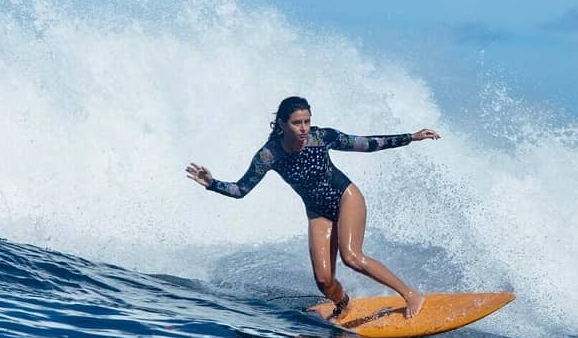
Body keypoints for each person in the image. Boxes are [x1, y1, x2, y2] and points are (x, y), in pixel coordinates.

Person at [186, 96, 440, 319]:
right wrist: (211, 183)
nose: (304, 128)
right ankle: (343, 305)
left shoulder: (321, 137)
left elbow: (368, 143)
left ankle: (411, 295)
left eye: (307, 121)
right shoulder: (269, 155)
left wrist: (411, 137)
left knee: (351, 257)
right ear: (283, 124)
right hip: (318, 212)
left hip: (345, 197)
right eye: (297, 123)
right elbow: (241, 190)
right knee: (324, 281)